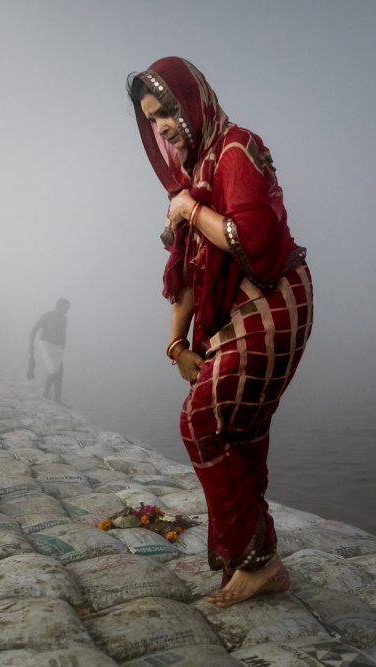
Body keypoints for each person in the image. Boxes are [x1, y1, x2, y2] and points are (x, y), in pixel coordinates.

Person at [129, 58, 313, 608]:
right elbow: (186, 271)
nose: (162, 127)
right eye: (151, 119)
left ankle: (259, 559)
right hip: (234, 309)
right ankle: (251, 560)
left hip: (274, 299)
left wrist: (190, 210)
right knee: (239, 432)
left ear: (192, 103)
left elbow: (251, 240)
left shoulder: (235, 151)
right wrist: (176, 345)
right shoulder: (193, 175)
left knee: (201, 420)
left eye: (167, 112)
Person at [28, 298, 70, 405]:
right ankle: (45, 393)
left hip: (58, 347)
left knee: (60, 371)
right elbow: (34, 330)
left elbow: (63, 333)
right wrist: (31, 345)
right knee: (53, 370)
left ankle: (57, 398)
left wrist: (63, 347)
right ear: (59, 306)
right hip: (46, 344)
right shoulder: (47, 315)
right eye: (65, 308)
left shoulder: (64, 318)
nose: (66, 311)